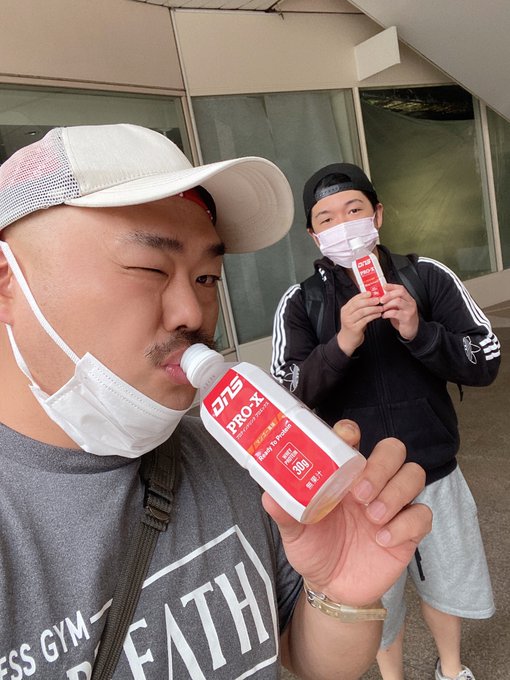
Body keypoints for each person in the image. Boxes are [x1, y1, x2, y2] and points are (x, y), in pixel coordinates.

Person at [0, 125, 431, 680]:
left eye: (207, 277)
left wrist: (341, 592)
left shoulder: (229, 453)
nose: (193, 313)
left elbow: (303, 658)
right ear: (8, 282)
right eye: (150, 268)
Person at [271, 162, 500, 680]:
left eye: (353, 210)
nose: (343, 225)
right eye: (327, 218)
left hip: (435, 470)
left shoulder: (426, 276)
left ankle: (451, 669)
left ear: (377, 214)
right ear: (314, 235)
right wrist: (341, 344)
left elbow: (485, 357)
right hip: (356, 490)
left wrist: (420, 331)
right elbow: (287, 395)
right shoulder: (302, 301)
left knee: (447, 585)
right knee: (378, 601)